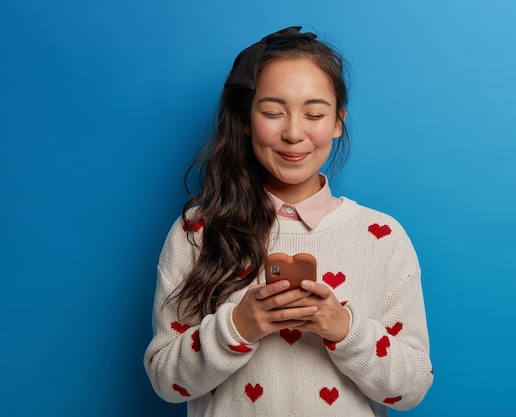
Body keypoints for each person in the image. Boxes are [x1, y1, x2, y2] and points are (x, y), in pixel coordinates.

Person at [144, 26, 433, 416]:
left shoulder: (381, 237)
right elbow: (167, 382)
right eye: (272, 112)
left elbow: (411, 389)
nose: (294, 133)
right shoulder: (199, 230)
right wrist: (239, 326)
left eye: (314, 113)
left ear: (337, 122)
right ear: (246, 120)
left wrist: (343, 328)